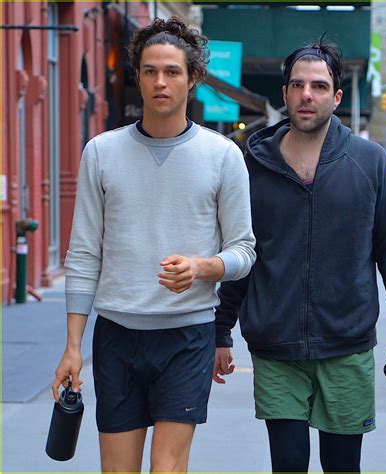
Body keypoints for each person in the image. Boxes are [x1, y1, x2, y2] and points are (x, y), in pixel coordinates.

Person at [213, 38, 386, 473]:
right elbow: (242, 254)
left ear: (337, 96)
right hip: (276, 348)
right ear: (286, 93)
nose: (306, 95)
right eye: (297, 85)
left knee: (342, 466)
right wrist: (221, 331)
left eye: (318, 85)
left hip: (346, 347)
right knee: (288, 464)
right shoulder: (251, 165)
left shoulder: (370, 163)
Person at [52, 17, 256, 473]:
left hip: (187, 336)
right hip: (117, 336)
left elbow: (244, 251)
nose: (160, 82)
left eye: (172, 71)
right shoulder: (100, 152)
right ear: (138, 76)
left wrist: (203, 267)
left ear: (193, 78)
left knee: (166, 468)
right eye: (149, 71)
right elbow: (84, 253)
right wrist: (72, 345)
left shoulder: (223, 156)